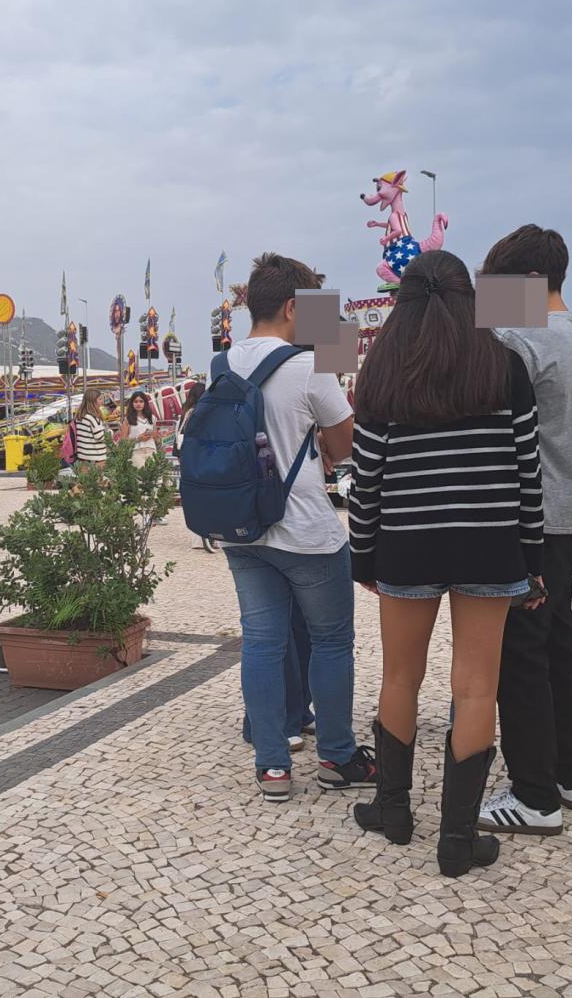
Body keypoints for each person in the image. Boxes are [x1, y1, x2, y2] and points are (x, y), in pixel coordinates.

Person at [348, 249, 545, 878]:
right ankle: (458, 841)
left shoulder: (382, 370)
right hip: (490, 542)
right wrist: (533, 558)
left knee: (400, 677)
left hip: (407, 544)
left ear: (403, 304)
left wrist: (362, 554)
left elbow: (367, 478)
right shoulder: (505, 366)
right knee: (475, 686)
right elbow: (526, 473)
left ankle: (393, 811)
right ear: (471, 299)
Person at [222, 252, 373, 805]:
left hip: (244, 531)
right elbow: (344, 445)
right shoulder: (309, 367)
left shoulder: (222, 364)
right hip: (307, 530)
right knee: (331, 641)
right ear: (292, 307)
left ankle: (273, 769)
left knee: (261, 643)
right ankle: (337, 755)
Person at [476, 225, 572, 837]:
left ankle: (533, 796)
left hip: (530, 518)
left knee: (520, 650)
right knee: (558, 637)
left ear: (525, 285)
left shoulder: (520, 340)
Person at [176, 383, 219, 553]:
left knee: (196, 497)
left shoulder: (187, 413)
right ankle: (214, 537)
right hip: (207, 456)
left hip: (191, 458)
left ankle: (198, 537)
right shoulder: (207, 411)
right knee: (213, 497)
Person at [119, 391, 160, 467]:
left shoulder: (152, 418)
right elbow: (122, 441)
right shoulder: (127, 419)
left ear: (145, 403)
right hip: (136, 453)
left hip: (152, 451)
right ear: (132, 404)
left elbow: (157, 439)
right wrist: (138, 438)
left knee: (154, 478)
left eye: (141, 401)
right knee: (140, 478)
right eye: (135, 401)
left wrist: (155, 435)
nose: (138, 404)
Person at [72, 389, 109, 467]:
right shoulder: (93, 418)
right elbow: (100, 436)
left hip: (83, 456)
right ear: (93, 400)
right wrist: (109, 432)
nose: (102, 401)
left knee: (85, 479)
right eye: (100, 399)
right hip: (96, 457)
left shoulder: (80, 416)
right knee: (98, 479)